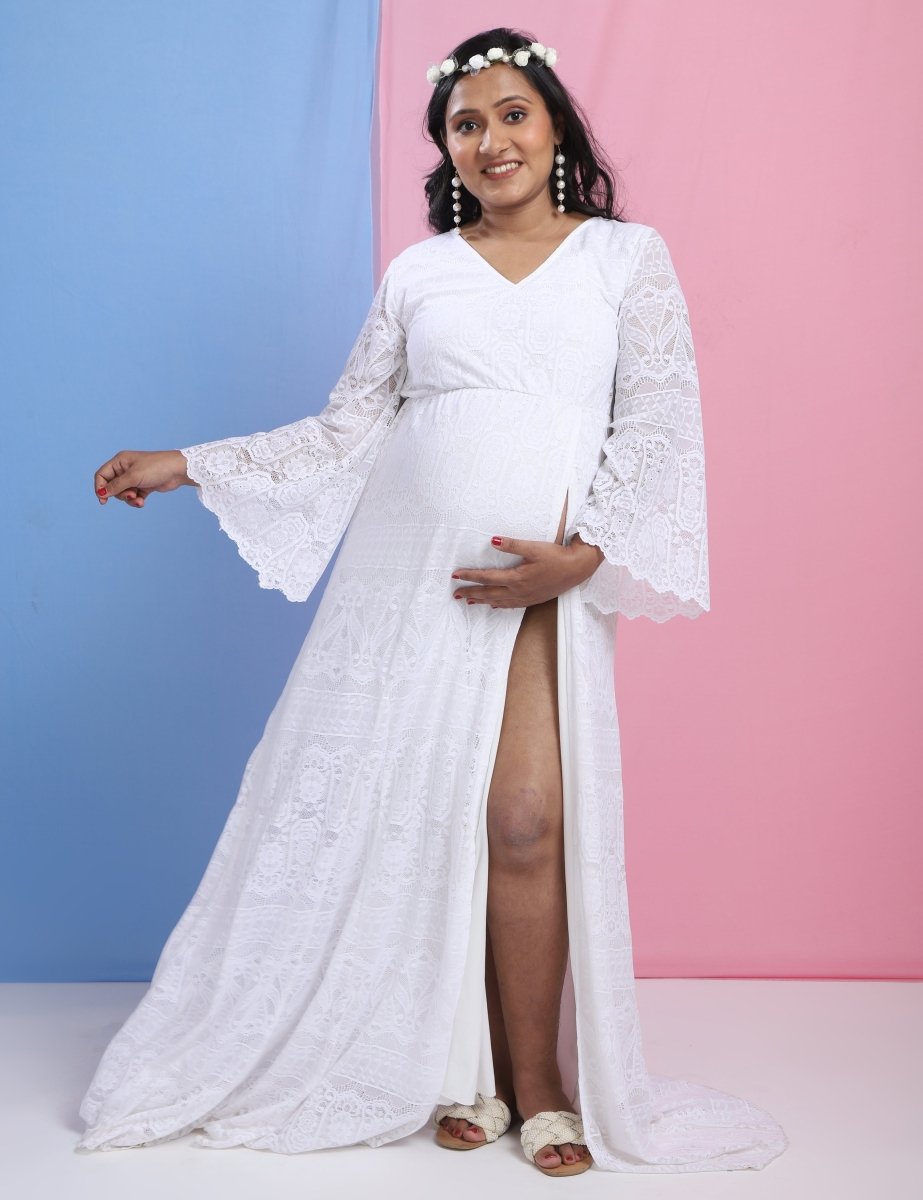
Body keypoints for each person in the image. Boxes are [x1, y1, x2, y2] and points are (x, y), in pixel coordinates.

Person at [79, 27, 787, 1177]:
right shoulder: (420, 274)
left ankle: (538, 1080)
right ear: (445, 149)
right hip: (408, 581)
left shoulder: (621, 257)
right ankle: (462, 1068)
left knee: (523, 819)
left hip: (539, 578)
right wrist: (189, 463)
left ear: (553, 125)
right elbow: (346, 431)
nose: (490, 139)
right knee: (424, 814)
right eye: (465, 124)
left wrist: (584, 556)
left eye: (511, 114)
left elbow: (659, 417)